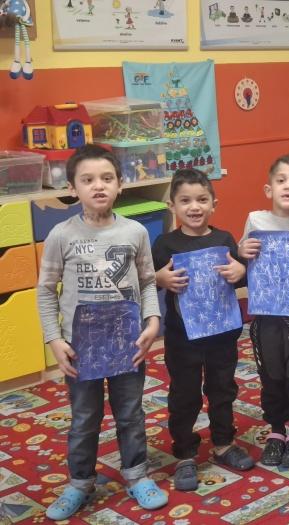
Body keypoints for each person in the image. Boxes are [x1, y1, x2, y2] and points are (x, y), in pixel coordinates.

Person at [37, 144, 168, 520]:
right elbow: (45, 290)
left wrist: (152, 321)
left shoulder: (135, 232)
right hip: (81, 347)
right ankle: (80, 481)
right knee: (84, 418)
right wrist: (54, 339)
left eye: (107, 178)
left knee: (130, 413)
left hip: (128, 343)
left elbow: (147, 281)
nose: (98, 186)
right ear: (72, 188)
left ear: (120, 185)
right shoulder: (61, 235)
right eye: (88, 180)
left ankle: (137, 473)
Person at [151, 168, 254, 492]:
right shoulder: (165, 243)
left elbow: (239, 276)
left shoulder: (223, 240)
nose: (194, 207)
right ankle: (185, 453)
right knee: (185, 394)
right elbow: (148, 278)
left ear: (213, 204)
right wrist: (159, 278)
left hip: (222, 335)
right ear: (172, 206)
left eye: (201, 199)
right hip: (182, 338)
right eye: (185, 201)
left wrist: (241, 270)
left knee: (222, 388)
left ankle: (223, 443)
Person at [238, 154, 289, 468]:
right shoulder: (255, 220)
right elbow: (243, 257)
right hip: (267, 314)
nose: (288, 186)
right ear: (268, 189)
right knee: (271, 374)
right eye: (281, 180)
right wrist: (242, 250)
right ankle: (276, 430)